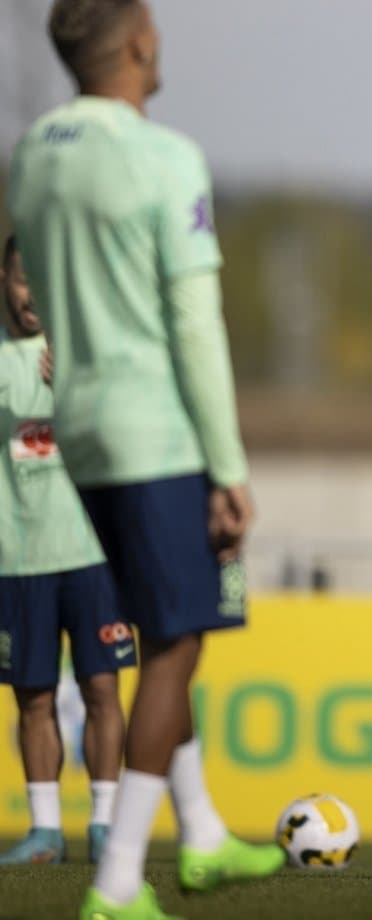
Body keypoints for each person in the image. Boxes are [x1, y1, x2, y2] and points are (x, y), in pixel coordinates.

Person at [7, 2, 284, 916]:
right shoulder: (166, 158)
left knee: (163, 627)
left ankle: (201, 835)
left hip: (79, 425)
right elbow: (194, 324)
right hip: (153, 426)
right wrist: (228, 464)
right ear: (136, 46)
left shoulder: (34, 152)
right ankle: (119, 882)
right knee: (176, 645)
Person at [0, 236, 132, 867]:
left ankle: (104, 824)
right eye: (25, 279)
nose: (33, 296)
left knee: (102, 687)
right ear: (5, 278)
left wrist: (85, 387)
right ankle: (45, 832)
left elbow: (130, 437)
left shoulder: (92, 354)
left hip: (92, 552)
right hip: (16, 557)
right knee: (33, 696)